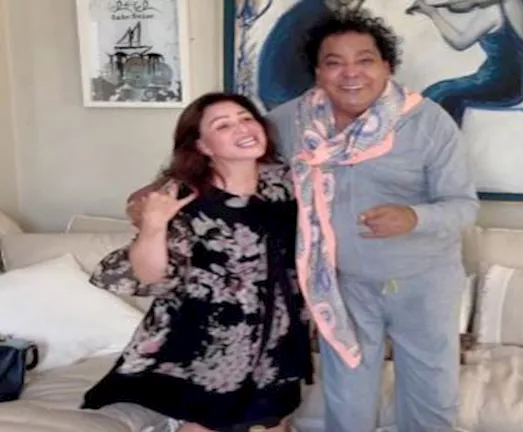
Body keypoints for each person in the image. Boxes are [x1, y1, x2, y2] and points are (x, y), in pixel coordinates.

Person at [128, 9, 479, 432]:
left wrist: (413, 217)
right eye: (334, 62)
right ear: (318, 72)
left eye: (364, 60)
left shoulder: (427, 122)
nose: (351, 73)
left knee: (431, 390)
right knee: (347, 393)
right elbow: (227, 161)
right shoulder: (290, 121)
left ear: (387, 66)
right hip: (339, 283)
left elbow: (464, 206)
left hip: (423, 279)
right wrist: (153, 196)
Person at [83, 92, 312, 432]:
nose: (242, 128)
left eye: (246, 118)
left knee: (274, 419)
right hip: (207, 337)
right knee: (208, 422)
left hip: (276, 331)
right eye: (223, 125)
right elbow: (149, 274)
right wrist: (153, 225)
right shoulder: (183, 196)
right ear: (203, 146)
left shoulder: (286, 182)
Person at [406, 0, 523, 126]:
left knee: (439, 94)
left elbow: (460, 42)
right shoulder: (516, 4)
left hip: (498, 83)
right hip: (514, 83)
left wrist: (433, 13)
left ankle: (442, 137)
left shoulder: (493, 12)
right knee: (438, 93)